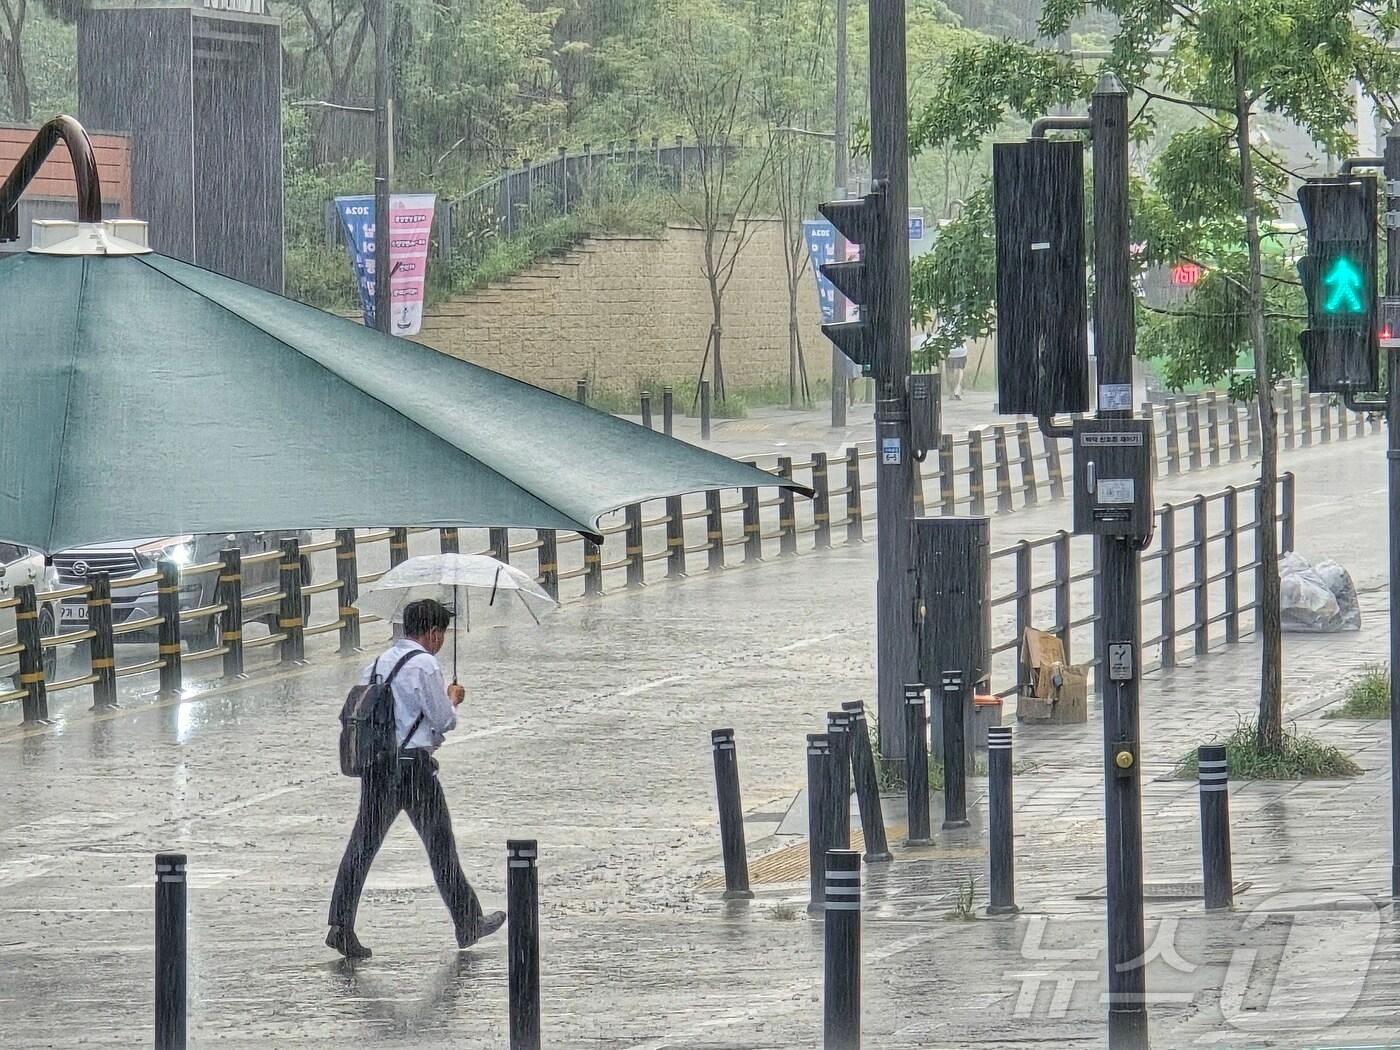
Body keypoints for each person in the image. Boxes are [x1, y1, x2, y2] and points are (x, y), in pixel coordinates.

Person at [327, 598, 505, 959]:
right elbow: (443, 719)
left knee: (361, 847)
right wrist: (452, 698)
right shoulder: (425, 664)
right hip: (412, 770)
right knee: (440, 846)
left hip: (378, 767)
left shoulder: (377, 664)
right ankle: (468, 922)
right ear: (434, 633)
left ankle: (340, 926)